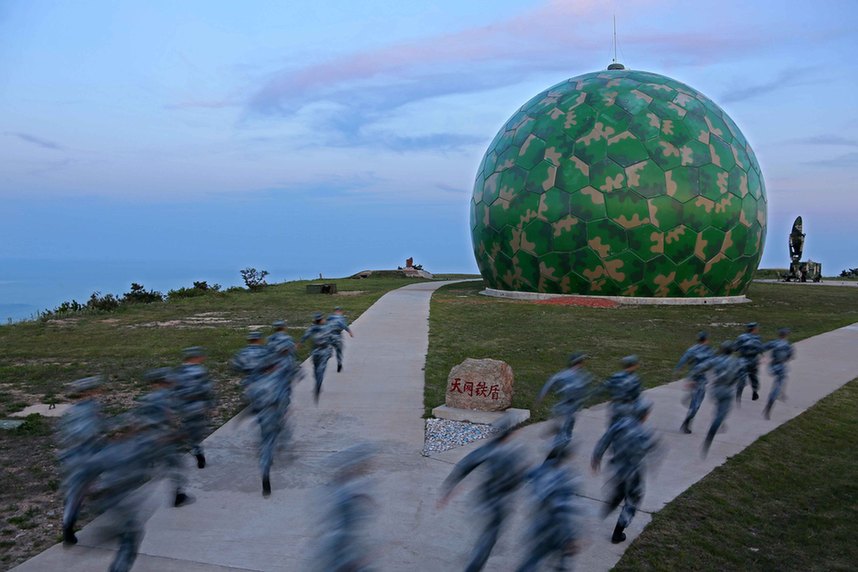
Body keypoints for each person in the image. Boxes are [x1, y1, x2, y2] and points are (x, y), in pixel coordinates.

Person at [438, 415, 527, 572]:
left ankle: (482, 552)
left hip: (485, 499)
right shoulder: (512, 453)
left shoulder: (488, 450)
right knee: (488, 539)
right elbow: (519, 478)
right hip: (498, 504)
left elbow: (464, 465)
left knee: (489, 537)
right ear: (510, 434)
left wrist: (448, 489)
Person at [591, 398, 656, 544]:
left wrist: (596, 457)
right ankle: (618, 533)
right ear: (645, 415)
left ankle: (615, 499)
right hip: (634, 473)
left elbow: (604, 440)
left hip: (616, 468)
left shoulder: (619, 424)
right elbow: (651, 450)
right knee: (633, 500)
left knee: (621, 488)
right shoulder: (644, 432)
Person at [245, 336, 301, 496]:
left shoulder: (256, 384)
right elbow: (283, 399)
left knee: (266, 440)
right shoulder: (278, 382)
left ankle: (265, 467)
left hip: (263, 416)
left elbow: (251, 402)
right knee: (284, 432)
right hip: (276, 415)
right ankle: (284, 449)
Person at [56, 375, 106, 545]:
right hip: (85, 457)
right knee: (80, 491)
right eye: (95, 388)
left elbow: (63, 434)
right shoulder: (89, 410)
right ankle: (68, 528)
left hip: (73, 457)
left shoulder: (72, 411)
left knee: (78, 491)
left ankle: (69, 526)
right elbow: (88, 433)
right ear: (88, 391)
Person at [517, 444, 582, 572]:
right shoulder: (563, 479)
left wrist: (522, 469)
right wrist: (570, 536)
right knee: (561, 563)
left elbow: (526, 475)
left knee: (534, 559)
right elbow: (562, 511)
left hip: (540, 524)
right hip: (555, 530)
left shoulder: (540, 471)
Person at [313, 444, 376, 572]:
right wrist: (355, 561)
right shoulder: (342, 498)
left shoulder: (341, 489)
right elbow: (339, 535)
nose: (367, 468)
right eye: (364, 465)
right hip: (342, 557)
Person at [136, 367, 190, 507]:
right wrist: (177, 433)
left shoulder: (147, 398)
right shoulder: (165, 397)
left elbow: (139, 420)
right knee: (176, 465)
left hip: (148, 438)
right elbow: (169, 417)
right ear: (161, 382)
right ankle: (179, 495)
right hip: (164, 438)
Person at [534, 352, 592, 449]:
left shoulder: (570, 375)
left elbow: (550, 382)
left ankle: (557, 430)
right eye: (582, 362)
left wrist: (540, 397)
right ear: (578, 362)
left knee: (567, 430)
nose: (583, 364)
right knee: (565, 435)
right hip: (567, 408)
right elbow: (551, 383)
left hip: (566, 407)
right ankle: (550, 448)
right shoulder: (575, 376)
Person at [695, 341, 743, 456]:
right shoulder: (735, 361)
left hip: (715, 391)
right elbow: (739, 375)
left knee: (719, 407)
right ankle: (709, 439)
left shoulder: (716, 360)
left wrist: (694, 378)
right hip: (727, 390)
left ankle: (719, 419)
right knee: (721, 415)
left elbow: (700, 367)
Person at [173, 346, 215, 469]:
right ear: (195, 357)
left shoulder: (178, 372)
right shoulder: (200, 371)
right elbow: (207, 390)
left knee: (190, 433)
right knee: (198, 432)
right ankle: (198, 453)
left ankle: (196, 452)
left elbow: (174, 391)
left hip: (185, 408)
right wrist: (211, 405)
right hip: (199, 407)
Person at [675, 332, 714, 434]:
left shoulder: (692, 349)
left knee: (696, 402)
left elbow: (683, 359)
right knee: (696, 404)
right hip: (698, 380)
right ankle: (687, 422)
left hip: (695, 379)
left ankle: (688, 418)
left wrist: (677, 369)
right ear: (705, 340)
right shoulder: (708, 350)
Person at [302, 313, 335, 404]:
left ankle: (318, 384)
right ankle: (318, 385)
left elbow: (305, 336)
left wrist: (300, 342)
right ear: (320, 320)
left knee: (317, 370)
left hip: (315, 351)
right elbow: (333, 338)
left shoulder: (312, 328)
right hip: (323, 351)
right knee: (320, 369)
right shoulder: (327, 328)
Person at [601, 355, 643, 426]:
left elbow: (605, 387)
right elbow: (636, 396)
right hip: (627, 407)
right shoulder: (635, 380)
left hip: (615, 406)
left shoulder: (616, 376)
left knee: (613, 428)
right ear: (633, 365)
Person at [763, 328, 795, 419]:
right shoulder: (788, 345)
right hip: (780, 367)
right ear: (786, 335)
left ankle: (782, 394)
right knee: (777, 386)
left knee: (784, 377)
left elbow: (763, 347)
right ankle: (769, 407)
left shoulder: (773, 343)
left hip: (772, 367)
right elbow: (790, 357)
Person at [735, 322, 763, 402]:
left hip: (743, 360)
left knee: (742, 377)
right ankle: (755, 392)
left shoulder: (741, 337)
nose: (757, 330)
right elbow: (760, 349)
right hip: (753, 361)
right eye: (757, 329)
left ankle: (739, 394)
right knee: (753, 377)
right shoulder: (757, 338)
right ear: (753, 329)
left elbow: (735, 348)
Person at [327, 307, 354, 373]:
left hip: (329, 336)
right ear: (340, 311)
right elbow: (344, 325)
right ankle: (339, 363)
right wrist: (350, 332)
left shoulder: (330, 317)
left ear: (334, 311)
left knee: (327, 346)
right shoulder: (341, 318)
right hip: (337, 336)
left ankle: (329, 353)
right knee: (339, 351)